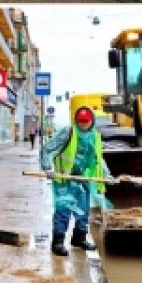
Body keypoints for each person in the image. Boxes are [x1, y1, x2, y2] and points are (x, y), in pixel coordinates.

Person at [40, 106, 108, 256]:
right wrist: (47, 168)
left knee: (83, 211)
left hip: (83, 179)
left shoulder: (95, 136)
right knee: (63, 211)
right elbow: (47, 149)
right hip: (65, 179)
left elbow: (99, 158)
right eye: (81, 121)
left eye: (87, 121)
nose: (83, 124)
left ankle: (79, 239)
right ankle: (57, 242)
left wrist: (106, 174)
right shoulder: (68, 132)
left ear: (92, 121)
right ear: (76, 121)